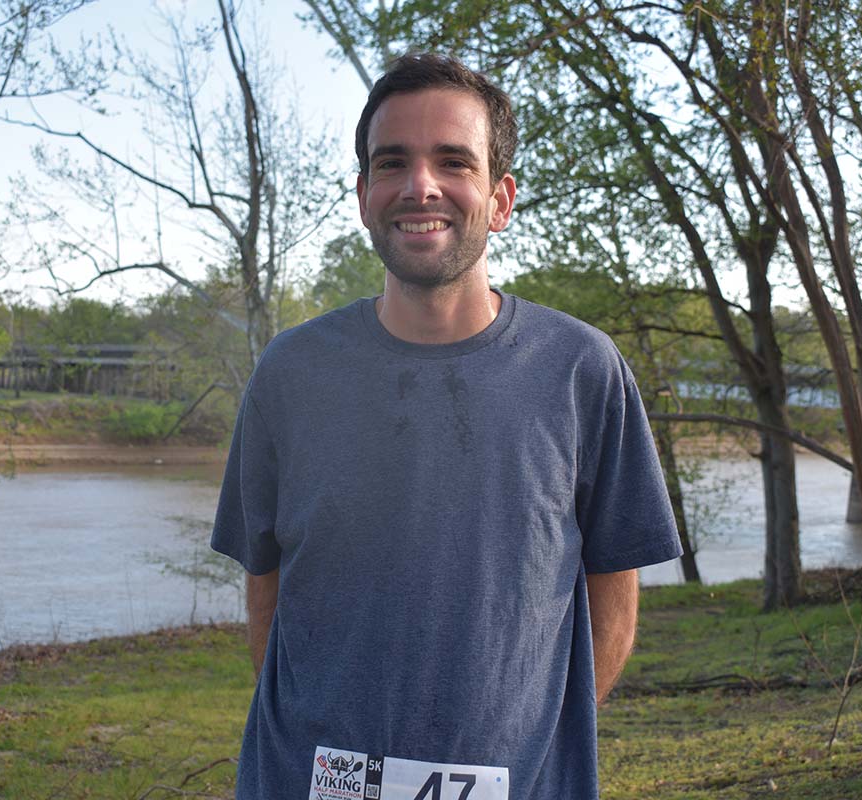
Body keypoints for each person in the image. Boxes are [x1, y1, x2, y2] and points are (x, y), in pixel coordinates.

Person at [211, 52, 681, 800]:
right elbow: (265, 588)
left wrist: (526, 742)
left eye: (453, 162)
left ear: (500, 199)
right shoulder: (291, 374)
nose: (419, 185)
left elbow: (613, 591)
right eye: (391, 162)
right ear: (364, 195)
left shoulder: (581, 371)